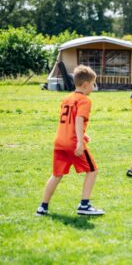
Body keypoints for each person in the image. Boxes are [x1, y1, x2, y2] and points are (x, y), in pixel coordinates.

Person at [36, 65, 104, 216]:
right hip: (73, 143)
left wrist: (83, 136)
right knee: (92, 171)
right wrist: (80, 141)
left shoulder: (67, 98)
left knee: (56, 175)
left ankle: (42, 207)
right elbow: (79, 119)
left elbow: (69, 122)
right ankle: (84, 205)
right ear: (85, 85)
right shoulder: (85, 100)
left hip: (60, 142)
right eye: (93, 84)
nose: (93, 87)